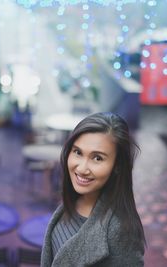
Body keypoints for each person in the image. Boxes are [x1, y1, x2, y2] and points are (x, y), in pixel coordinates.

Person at [41, 112, 145, 266]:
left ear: (117, 166)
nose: (82, 168)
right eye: (77, 152)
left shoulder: (122, 231)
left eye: (97, 158)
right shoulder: (75, 200)